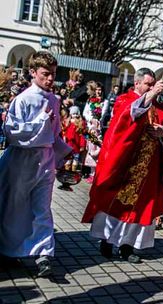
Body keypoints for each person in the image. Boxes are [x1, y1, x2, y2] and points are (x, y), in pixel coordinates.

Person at [81, 68, 163, 264]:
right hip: (124, 166)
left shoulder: (159, 109)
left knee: (140, 208)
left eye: (153, 85)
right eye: (148, 84)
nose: (151, 88)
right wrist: (150, 95)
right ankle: (107, 240)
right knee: (115, 203)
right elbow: (128, 116)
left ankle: (127, 246)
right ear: (137, 83)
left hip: (147, 170)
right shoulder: (124, 100)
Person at [0, 51, 72, 277]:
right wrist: (41, 121)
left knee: (42, 208)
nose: (50, 79)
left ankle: (44, 254)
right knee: (16, 207)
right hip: (22, 160)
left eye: (53, 74)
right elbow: (12, 134)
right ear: (32, 73)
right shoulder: (23, 99)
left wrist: (64, 151)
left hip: (46, 160)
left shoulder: (54, 99)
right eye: (45, 74)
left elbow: (54, 132)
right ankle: (9, 251)